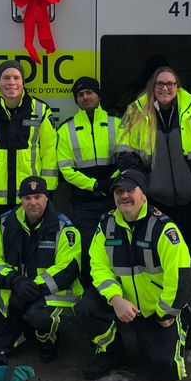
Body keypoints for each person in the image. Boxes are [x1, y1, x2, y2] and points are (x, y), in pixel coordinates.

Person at [75, 170, 191, 381]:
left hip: (154, 309)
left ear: (144, 195)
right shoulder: (106, 225)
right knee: (86, 307)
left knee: (163, 372)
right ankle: (112, 353)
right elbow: (98, 266)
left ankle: (183, 321)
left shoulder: (163, 229)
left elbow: (181, 278)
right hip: (123, 304)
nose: (124, 195)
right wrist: (115, 298)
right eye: (119, 191)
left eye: (130, 190)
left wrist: (164, 314)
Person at [115, 66, 191, 258]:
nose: (165, 88)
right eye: (160, 84)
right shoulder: (137, 111)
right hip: (154, 199)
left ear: (177, 86)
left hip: (188, 200)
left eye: (170, 84)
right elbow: (123, 153)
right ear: (152, 86)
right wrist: (144, 184)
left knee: (186, 248)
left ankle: (183, 288)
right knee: (154, 250)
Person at [0, 175, 82, 364]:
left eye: (38, 197)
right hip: (15, 292)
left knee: (39, 317)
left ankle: (48, 339)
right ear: (21, 200)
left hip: (48, 294)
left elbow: (68, 268)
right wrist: (14, 281)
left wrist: (34, 289)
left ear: (47, 198)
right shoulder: (5, 224)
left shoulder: (64, 229)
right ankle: (24, 330)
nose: (32, 202)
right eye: (27, 198)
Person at [0, 60, 58, 224]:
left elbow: (49, 153)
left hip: (30, 197)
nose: (12, 82)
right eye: (6, 78)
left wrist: (48, 189)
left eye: (16, 78)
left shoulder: (40, 110)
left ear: (23, 82)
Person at [56, 76, 119, 290]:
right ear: (76, 100)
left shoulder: (116, 123)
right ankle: (90, 293)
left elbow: (127, 158)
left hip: (114, 199)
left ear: (98, 95)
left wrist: (111, 183)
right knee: (87, 248)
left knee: (114, 246)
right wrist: (94, 185)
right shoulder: (66, 129)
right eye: (80, 95)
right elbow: (66, 169)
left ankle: (115, 291)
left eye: (89, 92)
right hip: (84, 202)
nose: (85, 97)